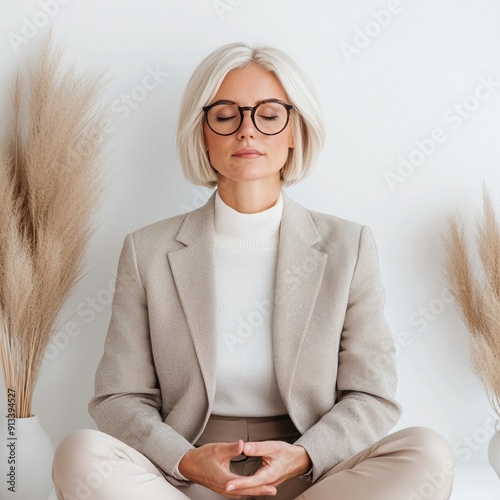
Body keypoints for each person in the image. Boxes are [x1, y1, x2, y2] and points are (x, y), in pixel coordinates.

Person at [52, 42, 454, 499]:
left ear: (294, 132)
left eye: (268, 114)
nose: (247, 131)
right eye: (226, 115)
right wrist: (186, 461)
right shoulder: (147, 250)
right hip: (186, 479)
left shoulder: (350, 246)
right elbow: (118, 398)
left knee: (427, 452)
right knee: (79, 453)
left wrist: (303, 456)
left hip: (312, 478)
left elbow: (372, 395)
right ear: (202, 133)